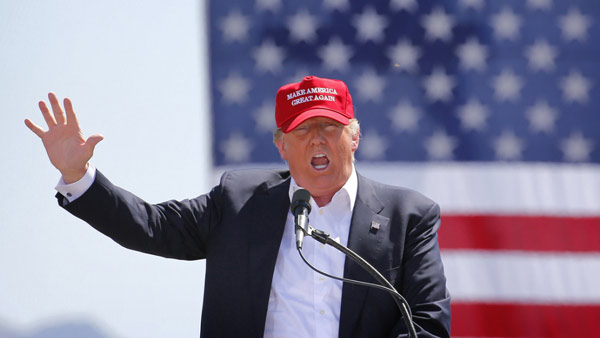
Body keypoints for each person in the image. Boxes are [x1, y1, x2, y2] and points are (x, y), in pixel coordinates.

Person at [25, 76, 451, 337]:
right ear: (281, 147)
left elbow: (427, 323)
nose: (318, 140)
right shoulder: (239, 202)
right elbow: (151, 226)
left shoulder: (407, 216)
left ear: (354, 137)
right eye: (302, 131)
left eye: (329, 127)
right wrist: (80, 176)